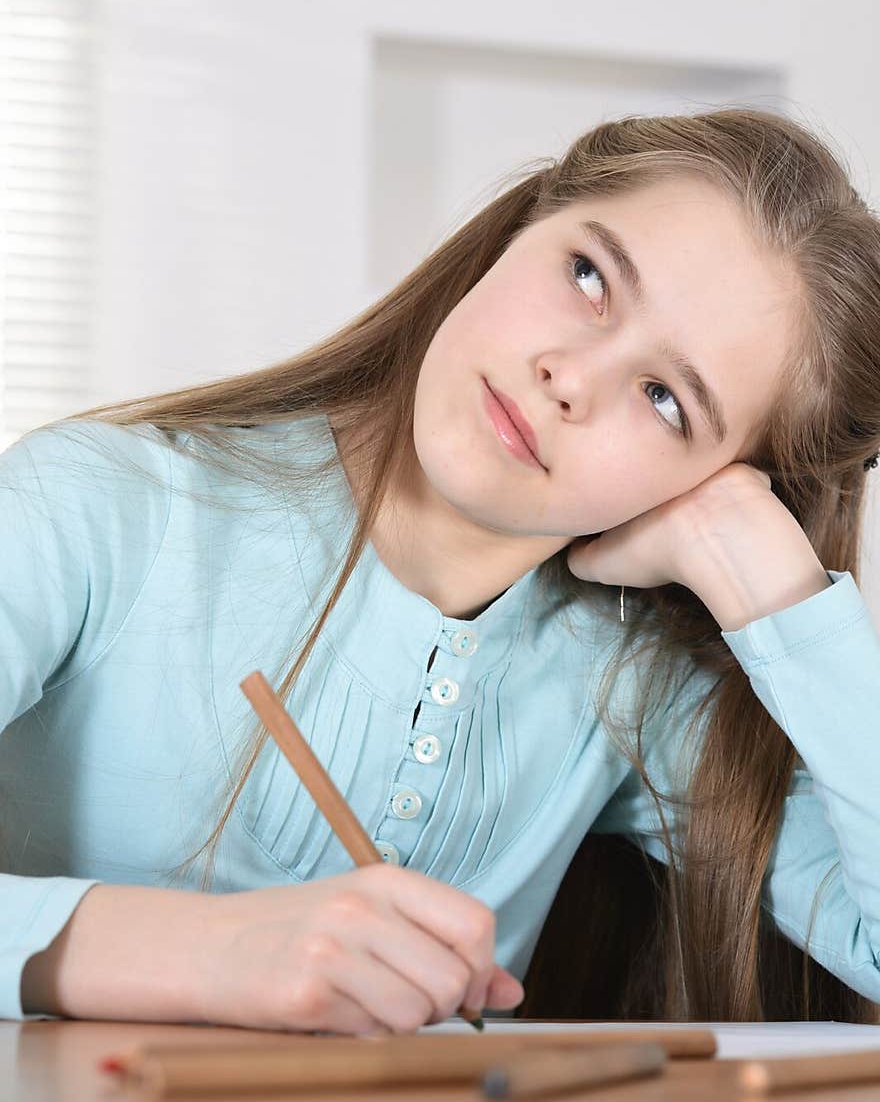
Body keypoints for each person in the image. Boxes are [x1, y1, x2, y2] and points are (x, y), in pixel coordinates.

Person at [5, 107, 880, 1034]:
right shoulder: (98, 506)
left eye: (667, 402)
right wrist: (206, 954)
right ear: (518, 231)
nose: (569, 376)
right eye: (588, 276)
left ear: (720, 480)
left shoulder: (629, 687)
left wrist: (778, 591)